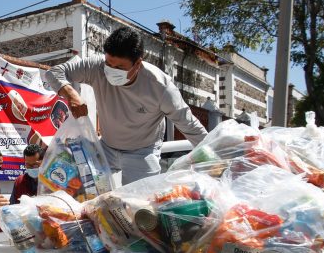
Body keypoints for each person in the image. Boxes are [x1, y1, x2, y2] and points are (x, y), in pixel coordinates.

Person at [45, 26, 208, 185]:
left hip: (143, 153)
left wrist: (216, 156)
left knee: (138, 204)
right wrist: (71, 94)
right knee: (78, 188)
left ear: (138, 64)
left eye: (119, 68)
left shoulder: (160, 87)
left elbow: (190, 126)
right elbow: (54, 73)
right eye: (108, 64)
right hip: (106, 148)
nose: (110, 70)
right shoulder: (96, 67)